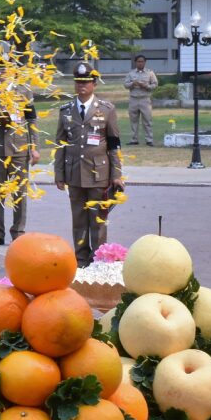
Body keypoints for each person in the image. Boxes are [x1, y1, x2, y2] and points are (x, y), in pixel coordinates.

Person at [55, 62, 124, 267]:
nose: (81, 85)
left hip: (98, 173)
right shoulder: (66, 110)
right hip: (74, 172)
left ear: (94, 84)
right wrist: (59, 173)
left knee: (98, 220)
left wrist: (116, 174)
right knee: (78, 219)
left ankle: (99, 259)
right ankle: (81, 259)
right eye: (78, 82)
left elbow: (114, 144)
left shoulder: (107, 109)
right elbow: (60, 143)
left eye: (86, 82)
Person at [0, 77, 39, 247]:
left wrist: (34, 147)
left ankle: (18, 233)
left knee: (19, 194)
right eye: (0, 66)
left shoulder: (24, 89)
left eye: (6, 65)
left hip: (18, 149)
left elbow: (32, 120)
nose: (3, 69)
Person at [124, 54, 158, 146]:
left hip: (145, 99)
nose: (140, 63)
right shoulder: (131, 73)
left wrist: (146, 86)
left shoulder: (150, 73)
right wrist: (132, 84)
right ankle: (134, 139)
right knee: (133, 120)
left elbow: (155, 84)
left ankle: (149, 140)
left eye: (142, 61)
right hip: (133, 99)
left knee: (147, 120)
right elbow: (125, 85)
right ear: (135, 62)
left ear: (145, 62)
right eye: (138, 61)